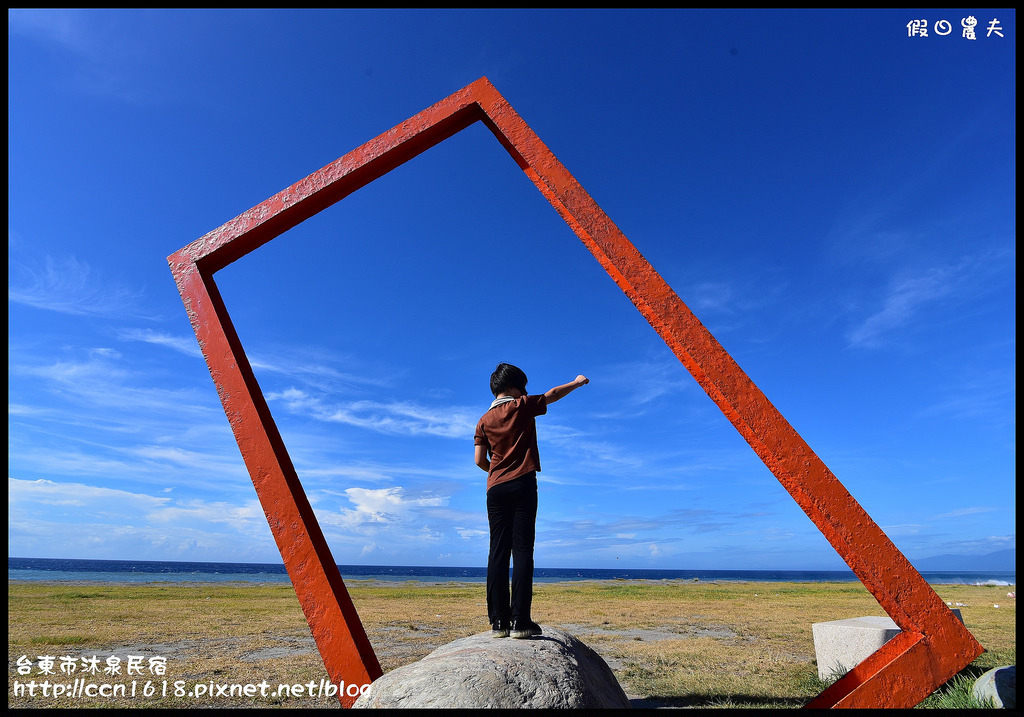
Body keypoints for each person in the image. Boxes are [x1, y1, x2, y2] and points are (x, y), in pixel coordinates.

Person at [473, 363, 589, 639]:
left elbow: (479, 460)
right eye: (522, 386)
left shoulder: (482, 421)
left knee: (497, 552)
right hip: (523, 482)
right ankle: (521, 622)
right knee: (522, 550)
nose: (525, 391)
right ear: (513, 387)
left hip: (495, 488)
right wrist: (577, 381)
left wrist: (498, 472)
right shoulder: (521, 405)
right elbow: (551, 395)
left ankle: (498, 622)